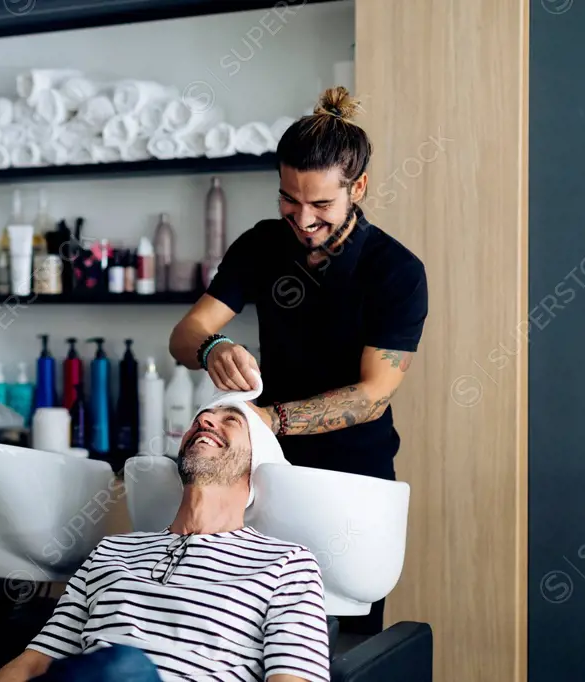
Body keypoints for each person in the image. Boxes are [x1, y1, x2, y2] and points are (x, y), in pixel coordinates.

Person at [168, 87, 428, 636]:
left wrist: (272, 418)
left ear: (358, 188)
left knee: (337, 642)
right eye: (289, 199)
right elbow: (186, 332)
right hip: (267, 473)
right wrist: (213, 348)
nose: (302, 219)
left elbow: (373, 393)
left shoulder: (396, 272)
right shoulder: (262, 245)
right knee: (251, 632)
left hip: (352, 482)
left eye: (321, 205)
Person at [0, 402, 330, 682]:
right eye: (200, 419)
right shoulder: (111, 551)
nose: (207, 420)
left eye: (231, 421)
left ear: (257, 461)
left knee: (122, 667)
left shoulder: (287, 565)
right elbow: (34, 663)